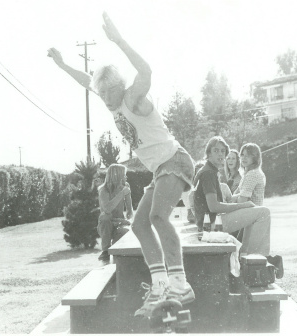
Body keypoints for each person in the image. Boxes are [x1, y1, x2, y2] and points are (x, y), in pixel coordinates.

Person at [48, 12, 196, 316]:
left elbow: (146, 70)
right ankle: (160, 285)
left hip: (175, 160)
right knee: (140, 223)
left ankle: (180, 282)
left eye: (108, 94)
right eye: (101, 96)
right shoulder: (109, 96)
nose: (105, 100)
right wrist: (62, 65)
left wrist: (118, 40)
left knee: (157, 217)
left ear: (120, 87)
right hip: (160, 170)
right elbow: (85, 81)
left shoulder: (132, 98)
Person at [231, 143, 283, 277]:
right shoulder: (248, 173)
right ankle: (272, 262)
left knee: (248, 252)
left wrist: (230, 199)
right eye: (242, 154)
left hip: (251, 216)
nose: (244, 158)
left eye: (248, 155)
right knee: (244, 250)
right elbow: (236, 195)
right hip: (249, 214)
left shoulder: (252, 174)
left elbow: (242, 199)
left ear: (256, 157)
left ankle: (273, 262)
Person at [193, 136, 254, 235]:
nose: (220, 154)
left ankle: (242, 249)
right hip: (211, 224)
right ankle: (248, 250)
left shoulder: (208, 170)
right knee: (263, 212)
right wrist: (242, 205)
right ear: (209, 153)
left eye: (222, 151)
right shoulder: (208, 173)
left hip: (207, 222)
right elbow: (214, 207)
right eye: (216, 151)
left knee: (252, 213)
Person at [97, 164, 133, 263]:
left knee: (123, 235)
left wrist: (128, 220)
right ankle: (105, 251)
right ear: (117, 175)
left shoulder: (126, 186)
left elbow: (130, 211)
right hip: (106, 225)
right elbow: (107, 209)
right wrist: (122, 193)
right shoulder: (103, 190)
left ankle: (119, 259)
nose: (126, 177)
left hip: (119, 223)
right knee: (105, 217)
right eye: (124, 174)